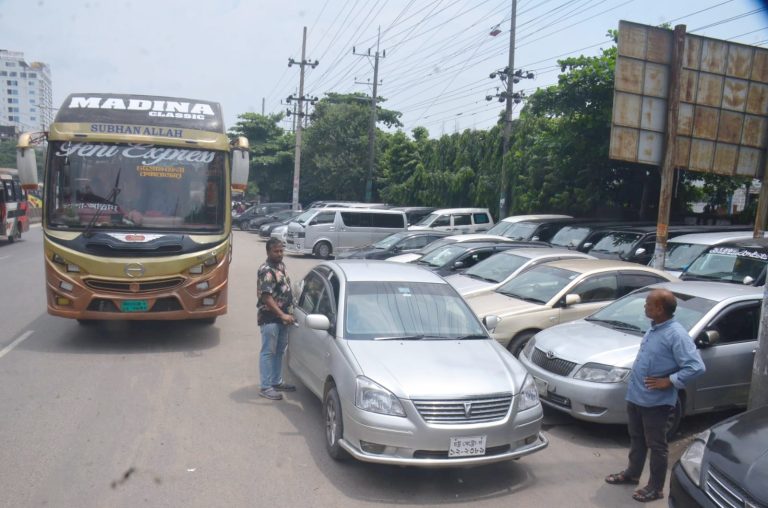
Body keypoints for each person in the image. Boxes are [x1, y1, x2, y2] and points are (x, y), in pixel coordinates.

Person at [605, 288, 705, 503]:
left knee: (657, 446)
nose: (645, 306)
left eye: (648, 304)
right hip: (637, 396)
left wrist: (669, 381)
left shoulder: (676, 335)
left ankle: (656, 487)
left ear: (660, 309)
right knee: (637, 438)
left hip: (656, 403)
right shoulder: (654, 328)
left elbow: (696, 367)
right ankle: (632, 474)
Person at [256, 238, 296, 400]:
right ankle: (265, 387)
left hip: (283, 318)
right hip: (271, 318)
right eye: (276, 251)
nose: (280, 254)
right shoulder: (266, 270)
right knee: (268, 352)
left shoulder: (280, 266)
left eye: (281, 251)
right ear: (268, 252)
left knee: (279, 351)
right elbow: (266, 298)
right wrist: (282, 314)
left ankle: (276, 381)